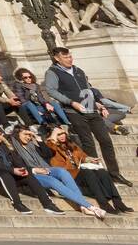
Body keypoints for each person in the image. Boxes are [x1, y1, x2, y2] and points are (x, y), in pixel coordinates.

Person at [44, 47, 128, 184]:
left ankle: (114, 174)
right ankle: (100, 176)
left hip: (92, 110)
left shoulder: (78, 70)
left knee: (106, 141)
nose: (69, 59)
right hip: (74, 112)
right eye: (65, 57)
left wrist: (97, 104)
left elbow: (87, 89)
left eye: (70, 56)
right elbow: (51, 91)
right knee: (89, 144)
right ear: (57, 58)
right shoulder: (52, 72)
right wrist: (71, 102)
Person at [9, 124, 108, 219]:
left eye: (30, 135)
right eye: (25, 134)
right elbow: (16, 165)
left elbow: (48, 154)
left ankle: (82, 206)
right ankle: (90, 206)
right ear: (17, 134)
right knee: (52, 181)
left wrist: (38, 139)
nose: (28, 137)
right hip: (30, 174)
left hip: (44, 169)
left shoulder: (31, 144)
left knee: (62, 171)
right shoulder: (12, 146)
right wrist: (35, 170)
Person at [0, 126, 63, 215]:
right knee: (4, 175)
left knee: (27, 174)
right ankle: (17, 204)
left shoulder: (4, 145)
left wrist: (27, 170)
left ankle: (48, 204)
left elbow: (17, 160)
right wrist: (12, 170)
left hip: (8, 171)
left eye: (0, 134)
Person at [45, 125, 131, 214]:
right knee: (87, 172)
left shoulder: (70, 144)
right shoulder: (50, 146)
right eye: (59, 134)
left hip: (79, 172)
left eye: (63, 133)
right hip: (68, 175)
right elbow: (51, 145)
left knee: (102, 171)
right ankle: (103, 203)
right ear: (54, 135)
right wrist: (54, 134)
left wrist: (89, 159)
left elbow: (82, 155)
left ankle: (118, 201)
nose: (62, 136)